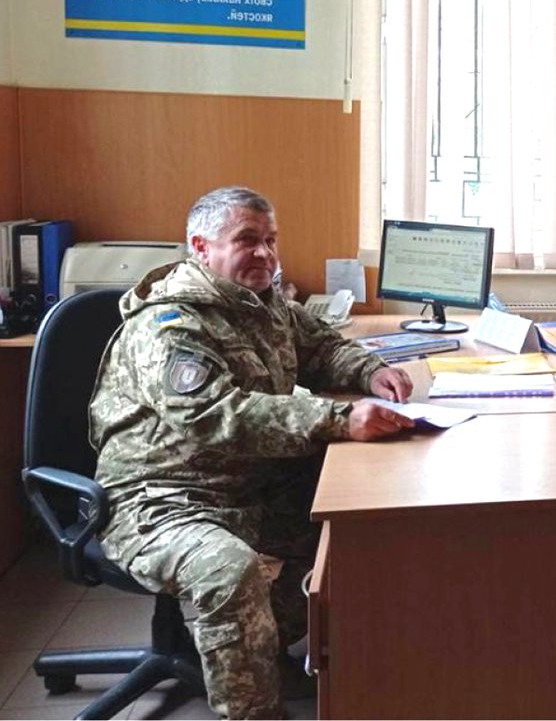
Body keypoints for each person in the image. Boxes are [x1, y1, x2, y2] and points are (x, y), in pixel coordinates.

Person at [92, 186, 417, 719]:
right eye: (247, 240)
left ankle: (259, 645)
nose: (264, 253)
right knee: (230, 572)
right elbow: (214, 415)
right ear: (201, 247)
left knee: (356, 516)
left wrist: (371, 372)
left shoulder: (264, 304)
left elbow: (323, 346)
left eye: (270, 240)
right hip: (161, 497)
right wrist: (338, 419)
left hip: (248, 481)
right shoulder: (169, 324)